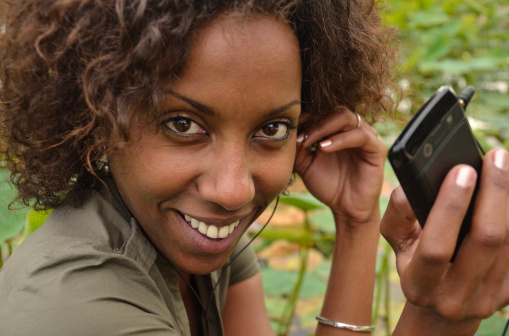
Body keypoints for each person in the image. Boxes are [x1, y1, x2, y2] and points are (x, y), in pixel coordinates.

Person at [0, 1, 507, 335]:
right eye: (182, 124)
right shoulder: (73, 308)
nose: (233, 189)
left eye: (271, 129)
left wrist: (356, 221)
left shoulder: (194, 238)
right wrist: (437, 318)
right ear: (98, 114)